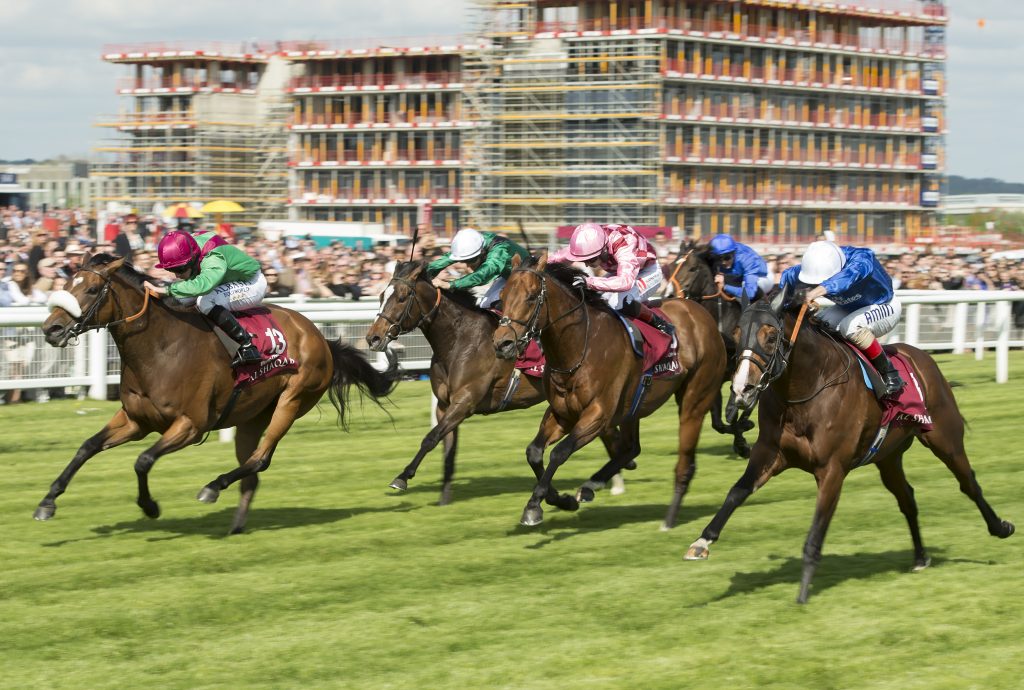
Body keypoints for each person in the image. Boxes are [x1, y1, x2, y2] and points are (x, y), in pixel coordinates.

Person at [779, 240, 904, 397]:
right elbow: (787, 277)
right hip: (849, 308)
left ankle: (890, 373)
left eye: (822, 280)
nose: (818, 283)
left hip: (885, 305)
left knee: (851, 328)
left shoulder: (862, 259)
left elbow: (844, 279)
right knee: (818, 326)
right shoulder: (815, 264)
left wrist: (813, 293)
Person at [143, 229, 266, 367]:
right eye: (171, 270)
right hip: (224, 281)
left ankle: (247, 346)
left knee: (205, 301)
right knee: (179, 300)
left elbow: (204, 285)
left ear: (191, 260)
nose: (176, 276)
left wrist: (167, 289)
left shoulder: (213, 257)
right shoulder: (190, 246)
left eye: (179, 270)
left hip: (252, 283)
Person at [549, 222, 674, 336]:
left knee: (622, 302)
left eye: (590, 259)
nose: (586, 264)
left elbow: (625, 282)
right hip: (620, 272)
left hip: (648, 272)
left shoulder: (623, 244)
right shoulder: (592, 242)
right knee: (595, 299)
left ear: (603, 250)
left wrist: (588, 282)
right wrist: (535, 263)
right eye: (583, 260)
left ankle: (660, 323)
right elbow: (559, 257)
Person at [426, 227, 530, 309]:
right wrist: (423, 271)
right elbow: (448, 258)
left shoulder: (499, 251)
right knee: (484, 305)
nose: (467, 265)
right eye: (463, 261)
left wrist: (450, 284)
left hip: (529, 279)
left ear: (481, 253)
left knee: (500, 304)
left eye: (469, 261)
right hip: (510, 277)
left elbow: (484, 273)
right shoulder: (475, 242)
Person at [707, 233, 772, 302]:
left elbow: (749, 293)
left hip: (762, 278)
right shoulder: (717, 255)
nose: (723, 262)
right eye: (718, 258)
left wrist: (725, 287)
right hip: (739, 276)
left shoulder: (747, 259)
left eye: (727, 257)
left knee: (741, 285)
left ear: (734, 253)